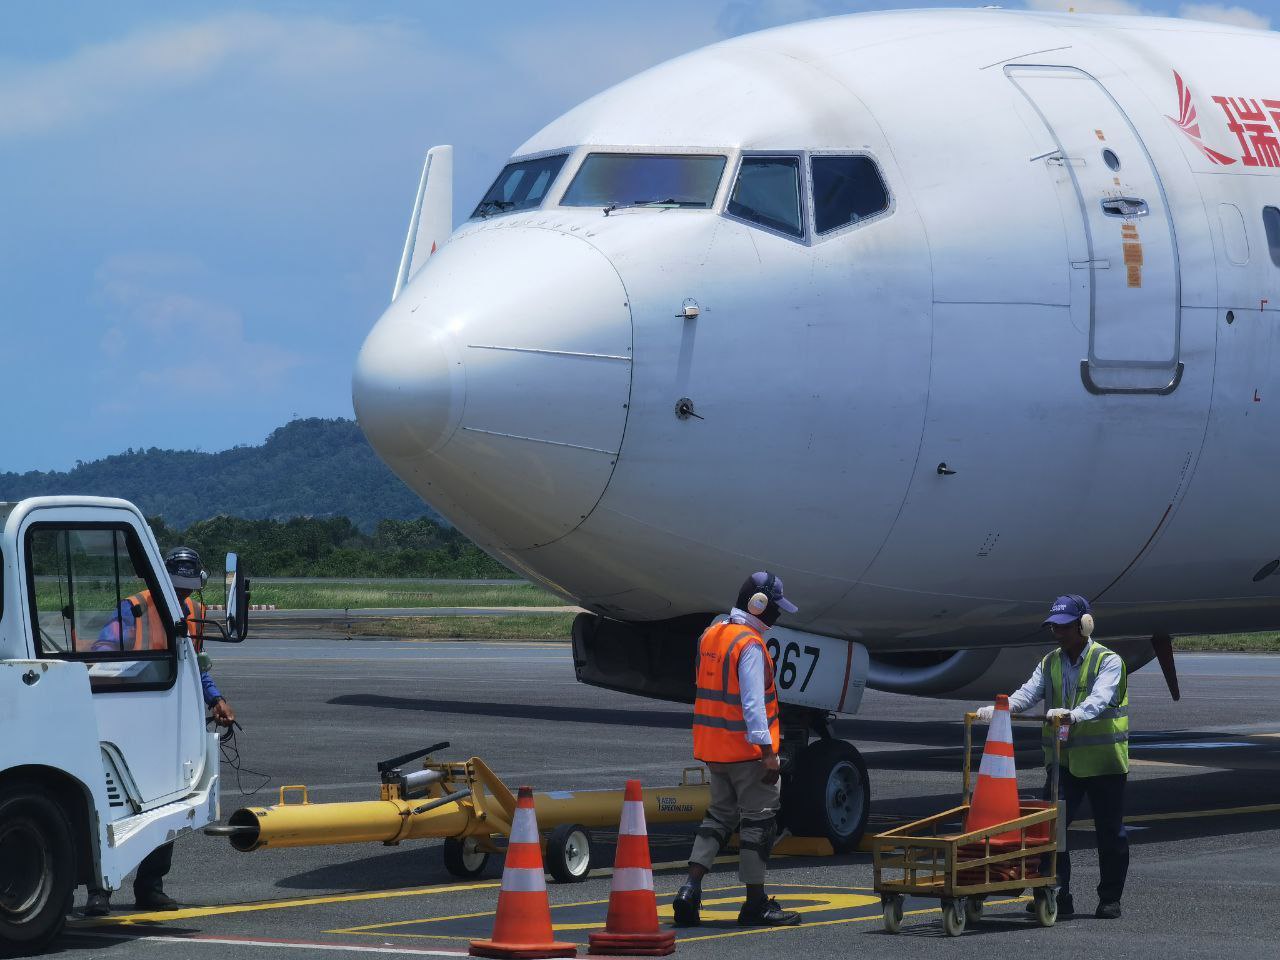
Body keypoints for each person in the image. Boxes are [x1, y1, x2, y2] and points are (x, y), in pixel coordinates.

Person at [85, 546, 236, 916]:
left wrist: (215, 699)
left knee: (166, 799)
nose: (183, 595)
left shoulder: (194, 612)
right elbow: (103, 649)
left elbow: (194, 665)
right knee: (111, 807)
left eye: (188, 588)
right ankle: (98, 892)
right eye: (177, 587)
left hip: (167, 719)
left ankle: (150, 887)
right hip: (126, 712)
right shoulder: (134, 606)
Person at [975, 594, 1129, 920]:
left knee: (1110, 832)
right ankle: (1058, 894)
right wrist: (1002, 707)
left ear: (1083, 625)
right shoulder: (1050, 662)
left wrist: (1074, 714)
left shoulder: (1109, 661)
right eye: (1053, 627)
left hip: (1104, 763)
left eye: (1063, 627)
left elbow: (1101, 699)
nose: (1056, 633)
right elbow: (1028, 692)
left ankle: (1110, 897)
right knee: (1051, 831)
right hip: (1064, 762)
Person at [672, 571, 802, 928]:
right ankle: (755, 902)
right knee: (758, 823)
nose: (777, 615)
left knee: (716, 818)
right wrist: (767, 752)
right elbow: (752, 704)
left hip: (715, 749)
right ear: (758, 605)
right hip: (747, 753)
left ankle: (689, 890)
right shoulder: (749, 645)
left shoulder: (711, 635)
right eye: (774, 608)